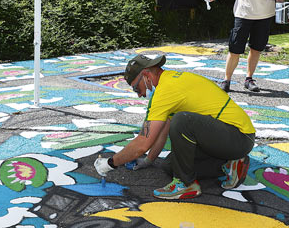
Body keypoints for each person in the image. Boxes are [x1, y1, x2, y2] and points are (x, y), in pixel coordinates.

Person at [93, 53, 255, 200]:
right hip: (227, 136)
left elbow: (143, 143)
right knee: (171, 165)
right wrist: (149, 160)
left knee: (182, 121)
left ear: (146, 75)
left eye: (137, 88)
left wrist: (111, 163)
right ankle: (228, 164)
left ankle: (187, 185)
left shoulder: (166, 90)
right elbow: (162, 130)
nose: (140, 94)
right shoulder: (170, 80)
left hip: (239, 136)